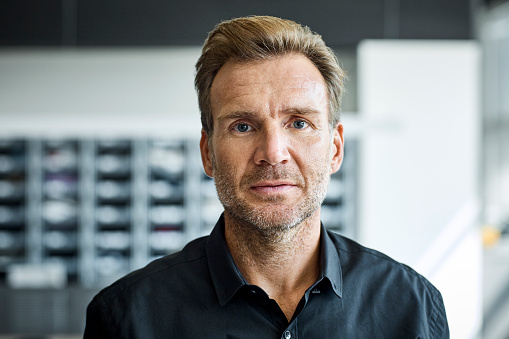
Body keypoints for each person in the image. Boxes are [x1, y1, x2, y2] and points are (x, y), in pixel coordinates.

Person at [84, 15, 449, 338]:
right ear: (208, 152)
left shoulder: (411, 308)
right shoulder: (125, 318)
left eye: (300, 123)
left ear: (335, 149)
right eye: (243, 126)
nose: (273, 152)